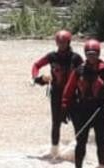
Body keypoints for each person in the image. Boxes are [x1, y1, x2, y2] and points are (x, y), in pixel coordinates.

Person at [61, 39, 104, 168]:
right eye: (88, 54)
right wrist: (64, 107)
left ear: (99, 54)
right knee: (80, 142)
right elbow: (68, 90)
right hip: (82, 110)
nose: (91, 57)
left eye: (94, 54)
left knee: (101, 142)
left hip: (100, 110)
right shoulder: (79, 71)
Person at [31, 30, 84, 159]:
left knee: (78, 123)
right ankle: (54, 151)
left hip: (73, 95)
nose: (61, 45)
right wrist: (38, 77)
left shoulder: (76, 58)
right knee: (56, 123)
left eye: (63, 43)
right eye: (59, 43)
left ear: (69, 42)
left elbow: (85, 74)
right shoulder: (51, 57)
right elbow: (36, 65)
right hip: (56, 94)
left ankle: (79, 151)